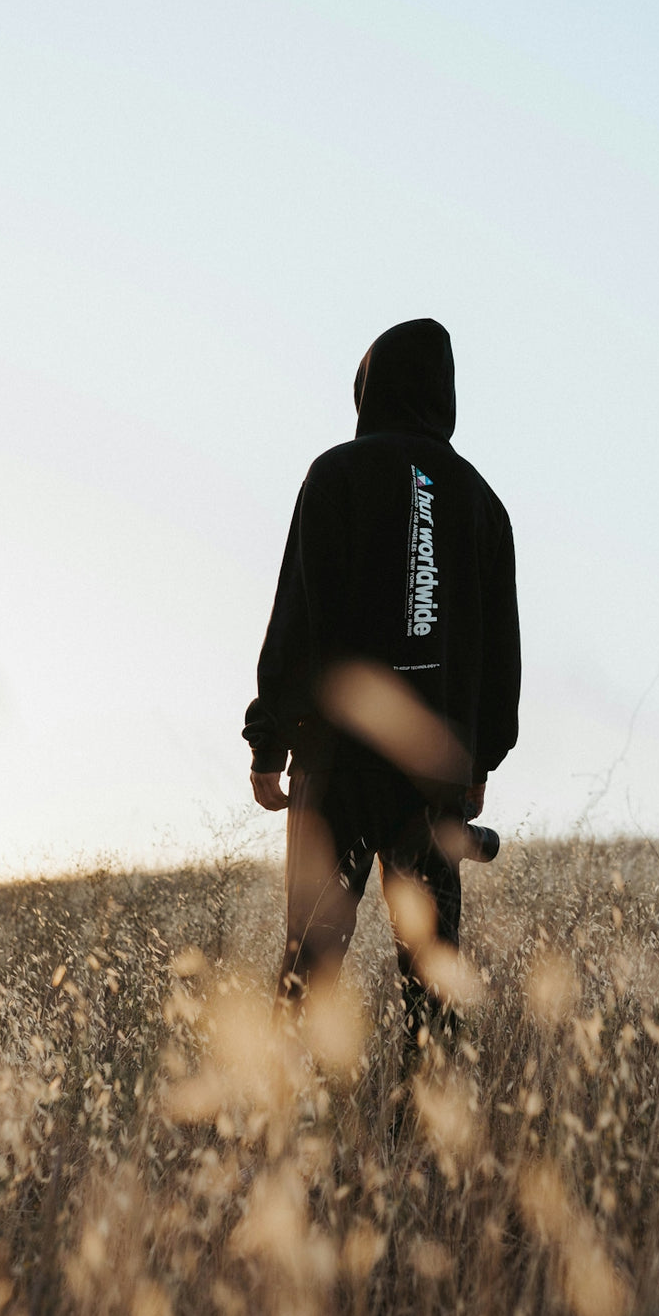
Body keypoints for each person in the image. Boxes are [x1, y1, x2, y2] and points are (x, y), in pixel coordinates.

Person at [243, 318, 520, 1067]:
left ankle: (281, 1130)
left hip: (335, 767)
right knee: (432, 972)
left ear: (369, 388)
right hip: (432, 780)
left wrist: (269, 738)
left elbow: (295, 616)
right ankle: (426, 1147)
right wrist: (480, 763)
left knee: (309, 962)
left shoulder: (334, 476)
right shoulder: (481, 505)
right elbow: (502, 658)